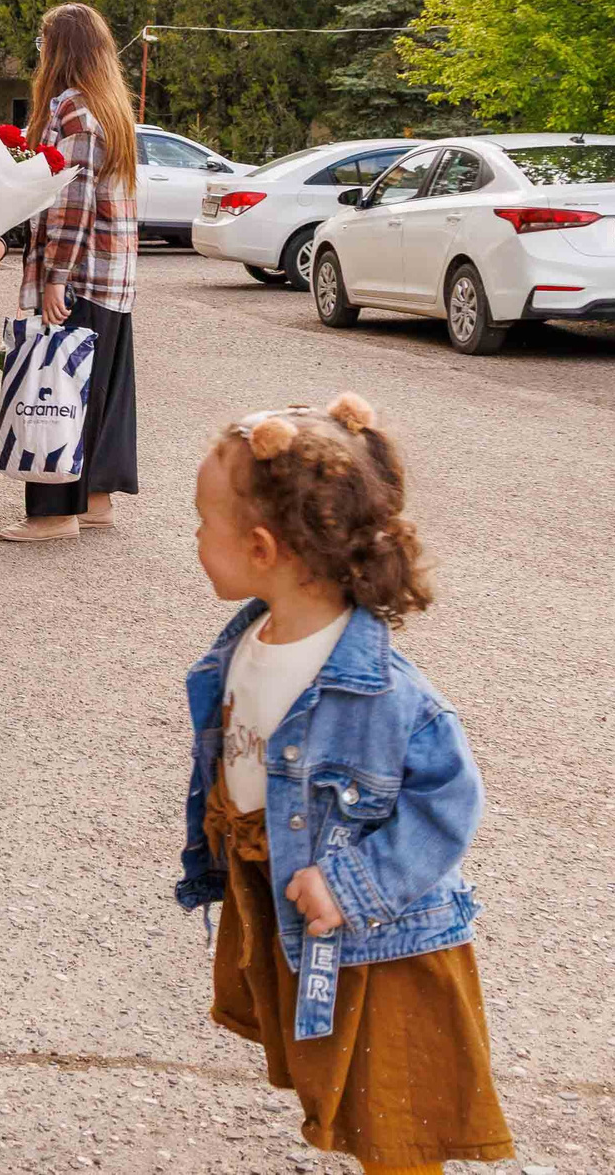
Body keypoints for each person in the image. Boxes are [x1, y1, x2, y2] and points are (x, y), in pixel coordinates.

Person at [178, 393, 514, 1174]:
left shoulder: (387, 691)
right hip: (287, 890)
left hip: (376, 937)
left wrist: (354, 886)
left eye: (203, 524)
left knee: (395, 1111)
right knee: (332, 1082)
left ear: (262, 547)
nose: (195, 538)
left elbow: (450, 802)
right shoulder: (246, 643)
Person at [0, 2, 140, 542]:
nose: (38, 53)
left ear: (59, 49)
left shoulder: (72, 111)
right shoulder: (109, 109)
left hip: (80, 275)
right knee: (100, 390)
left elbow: (72, 201)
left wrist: (55, 278)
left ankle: (53, 514)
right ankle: (95, 502)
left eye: (43, 43)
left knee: (57, 388)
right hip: (113, 278)